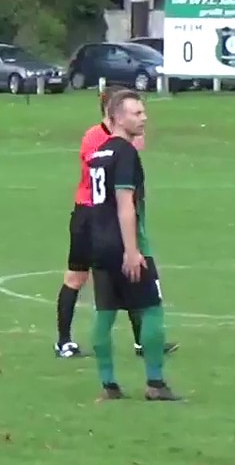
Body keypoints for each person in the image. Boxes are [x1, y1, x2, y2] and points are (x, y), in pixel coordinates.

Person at [54, 86, 178, 358]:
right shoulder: (96, 137)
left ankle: (141, 341)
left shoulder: (122, 142)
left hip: (110, 215)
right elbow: (101, 171)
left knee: (132, 270)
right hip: (90, 215)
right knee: (78, 277)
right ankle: (63, 340)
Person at [85, 89, 179, 401]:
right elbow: (125, 204)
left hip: (98, 243)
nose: (144, 117)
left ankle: (108, 385)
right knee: (152, 310)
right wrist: (132, 250)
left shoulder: (99, 154)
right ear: (118, 117)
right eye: (137, 113)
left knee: (105, 313)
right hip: (124, 243)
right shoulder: (126, 153)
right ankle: (155, 383)